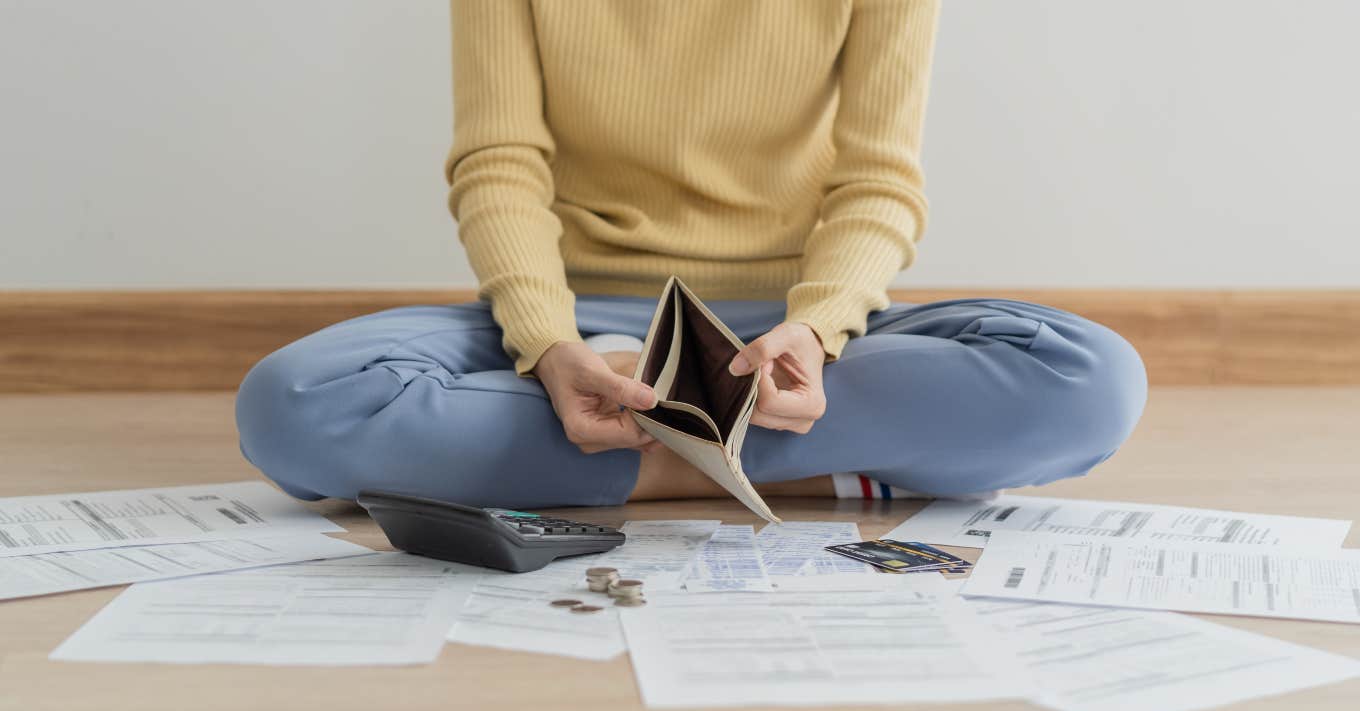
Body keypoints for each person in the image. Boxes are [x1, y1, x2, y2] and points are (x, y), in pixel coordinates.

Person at [235, 0, 1146, 509]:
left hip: (785, 332)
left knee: (1091, 378)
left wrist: (818, 332)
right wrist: (552, 348)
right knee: (291, 404)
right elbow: (499, 167)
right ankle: (781, 457)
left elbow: (879, 182)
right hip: (579, 327)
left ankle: (648, 453)